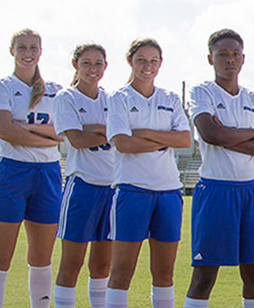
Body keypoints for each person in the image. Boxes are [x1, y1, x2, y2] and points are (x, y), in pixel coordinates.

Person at [184, 29, 254, 308]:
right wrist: (251, 133)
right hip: (216, 190)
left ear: (243, 58)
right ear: (210, 58)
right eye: (223, 54)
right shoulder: (201, 92)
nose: (230, 60)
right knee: (204, 275)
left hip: (252, 191)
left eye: (235, 54)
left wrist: (229, 135)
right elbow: (211, 134)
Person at [105, 38, 191, 308]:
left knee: (164, 273)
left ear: (160, 64)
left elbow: (185, 140)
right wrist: (166, 139)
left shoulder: (170, 98)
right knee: (121, 273)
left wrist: (146, 134)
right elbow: (124, 143)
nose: (147, 66)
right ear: (130, 60)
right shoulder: (119, 98)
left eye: (153, 60)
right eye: (141, 59)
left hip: (168, 191)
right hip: (132, 190)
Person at [0, 29, 63, 308]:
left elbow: (63, 132)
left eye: (33, 48)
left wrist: (22, 127)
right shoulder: (4, 86)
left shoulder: (56, 90)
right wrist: (43, 136)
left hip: (48, 174)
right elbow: (5, 131)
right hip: (13, 172)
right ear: (11, 51)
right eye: (22, 47)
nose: (28, 53)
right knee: (2, 256)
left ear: (41, 51)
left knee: (42, 257)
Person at [52, 43, 113, 308]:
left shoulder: (112, 100)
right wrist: (103, 130)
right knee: (71, 264)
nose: (93, 69)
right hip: (83, 186)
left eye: (98, 63)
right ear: (76, 65)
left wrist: (95, 129)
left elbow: (124, 137)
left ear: (105, 66)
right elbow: (75, 139)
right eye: (86, 63)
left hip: (112, 188)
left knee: (102, 265)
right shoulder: (67, 98)